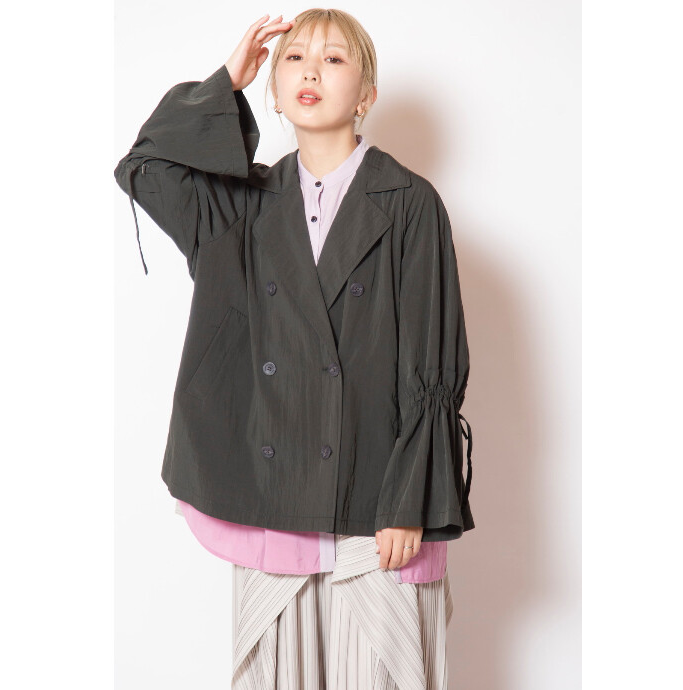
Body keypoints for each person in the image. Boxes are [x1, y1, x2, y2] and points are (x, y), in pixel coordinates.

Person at [114, 8, 474, 689]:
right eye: (294, 58)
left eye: (335, 59)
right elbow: (146, 166)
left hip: (377, 504)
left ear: (366, 94)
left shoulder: (408, 201)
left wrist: (411, 502)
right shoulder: (244, 206)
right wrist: (225, 84)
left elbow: (433, 360)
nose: (311, 69)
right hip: (272, 503)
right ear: (274, 91)